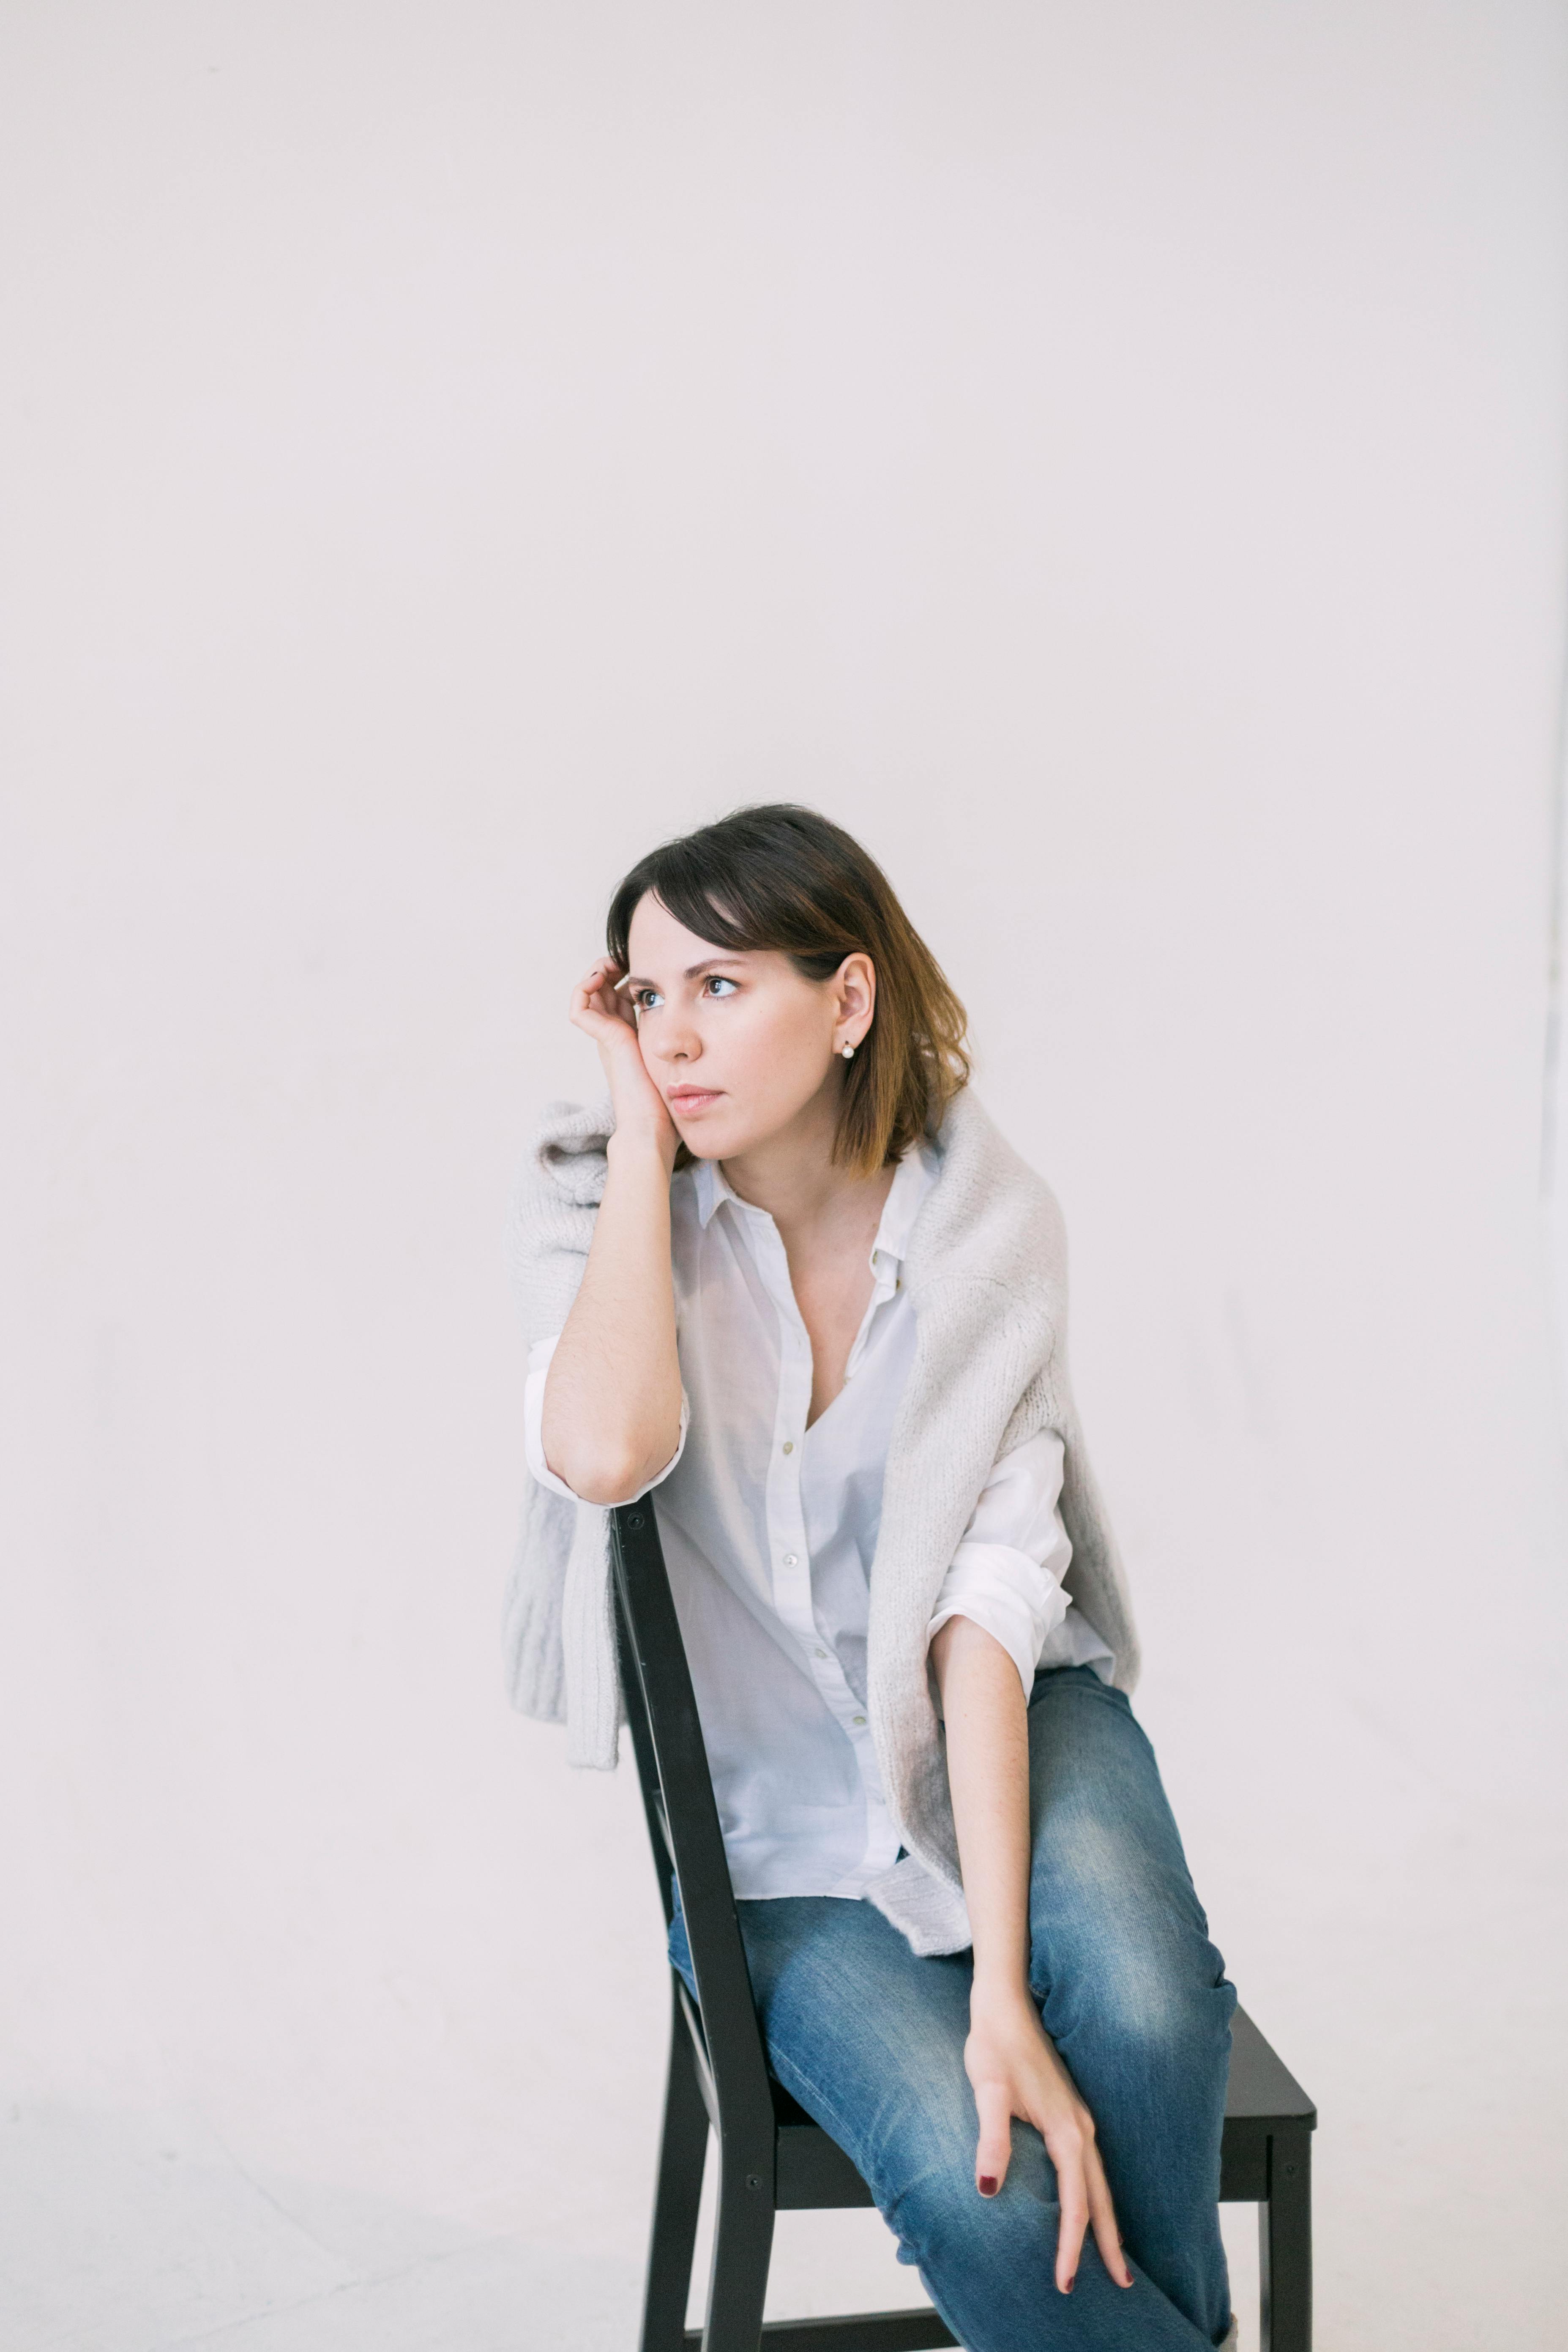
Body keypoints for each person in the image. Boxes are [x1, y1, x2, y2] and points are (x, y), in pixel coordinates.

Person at [504, 805, 1238, 2352]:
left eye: (719, 986)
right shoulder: (609, 1219)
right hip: (775, 1835)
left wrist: (1002, 1996)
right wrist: (637, 1137)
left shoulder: (985, 1228)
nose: (673, 1035)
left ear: (848, 999)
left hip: (1013, 1715)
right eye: (647, 996)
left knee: (1146, 2007)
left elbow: (984, 1616)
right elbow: (602, 1451)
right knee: (989, 2196)